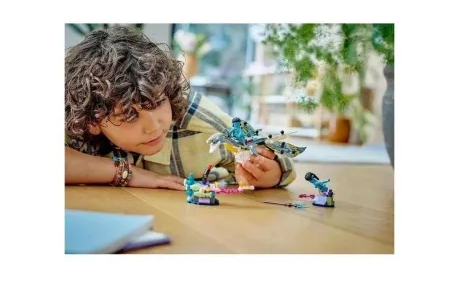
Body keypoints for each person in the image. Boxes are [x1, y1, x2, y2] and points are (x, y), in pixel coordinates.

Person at [65, 26, 296, 190]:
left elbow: (279, 160)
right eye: (129, 115)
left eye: (157, 102)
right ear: (92, 122)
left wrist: (267, 173)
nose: (154, 126)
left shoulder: (202, 124)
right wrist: (127, 173)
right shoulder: (77, 113)